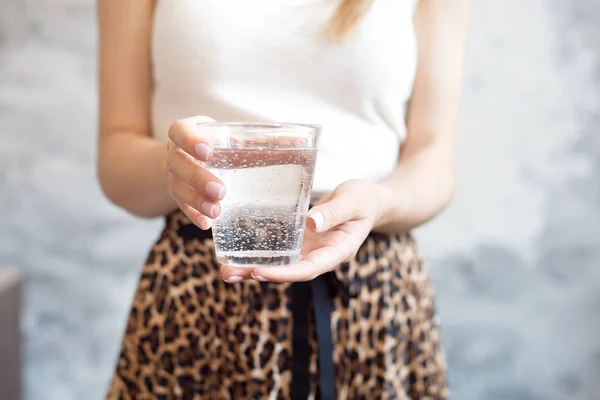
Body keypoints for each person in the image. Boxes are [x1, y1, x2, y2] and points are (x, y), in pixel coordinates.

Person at [98, 0, 470, 398]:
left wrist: (379, 201)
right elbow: (116, 156)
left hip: (370, 293)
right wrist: (175, 166)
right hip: (199, 291)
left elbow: (434, 156)